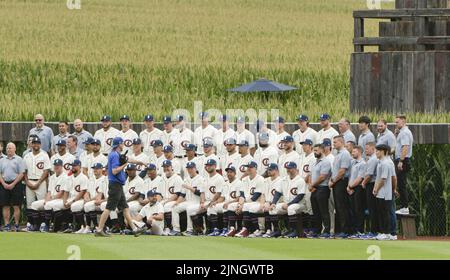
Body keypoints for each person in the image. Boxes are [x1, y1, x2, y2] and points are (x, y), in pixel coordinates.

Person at [95, 136, 144, 237]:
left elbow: (128, 159)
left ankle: (134, 229)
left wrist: (140, 162)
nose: (123, 145)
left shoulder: (116, 154)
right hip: (115, 185)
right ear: (119, 144)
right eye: (122, 143)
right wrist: (124, 165)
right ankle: (99, 229)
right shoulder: (114, 155)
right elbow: (114, 170)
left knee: (125, 208)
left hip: (118, 185)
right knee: (109, 208)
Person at [23, 136, 51, 231]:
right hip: (29, 180)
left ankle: (42, 224)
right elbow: (24, 171)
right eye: (34, 143)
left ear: (40, 144)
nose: (36, 145)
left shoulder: (44, 155)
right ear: (31, 144)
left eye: (37, 143)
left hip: (41, 181)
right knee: (29, 204)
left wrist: (38, 182)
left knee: (42, 203)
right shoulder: (27, 156)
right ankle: (31, 224)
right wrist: (27, 182)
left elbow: (46, 171)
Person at [192, 159, 224, 235]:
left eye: (210, 165)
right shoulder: (204, 178)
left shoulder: (219, 178)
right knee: (193, 211)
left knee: (210, 208)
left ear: (215, 166)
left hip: (217, 201)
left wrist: (209, 204)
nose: (208, 167)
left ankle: (213, 230)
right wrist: (202, 203)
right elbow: (202, 193)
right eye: (207, 165)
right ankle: (200, 230)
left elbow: (218, 193)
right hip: (206, 201)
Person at [328, 135, 352, 238]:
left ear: (341, 142)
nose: (333, 144)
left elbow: (342, 171)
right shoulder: (337, 154)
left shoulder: (345, 154)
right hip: (337, 183)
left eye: (335, 142)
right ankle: (340, 230)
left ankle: (346, 231)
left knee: (342, 207)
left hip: (341, 182)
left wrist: (333, 180)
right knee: (338, 207)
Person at [173, 162, 204, 236]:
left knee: (189, 208)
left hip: (197, 201)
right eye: (188, 168)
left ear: (195, 169)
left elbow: (200, 193)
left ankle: (189, 230)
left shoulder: (201, 179)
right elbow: (183, 194)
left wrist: (190, 188)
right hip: (188, 201)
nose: (190, 170)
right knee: (175, 207)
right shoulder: (186, 179)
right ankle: (176, 229)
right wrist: (177, 202)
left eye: (191, 168)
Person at [235, 161, 265, 238]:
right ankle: (246, 229)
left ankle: (254, 229)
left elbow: (256, 196)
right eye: (247, 167)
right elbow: (242, 195)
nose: (248, 169)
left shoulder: (260, 179)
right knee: (239, 206)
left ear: (255, 168)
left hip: (258, 202)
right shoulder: (244, 179)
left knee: (247, 207)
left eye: (251, 167)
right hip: (247, 202)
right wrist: (240, 204)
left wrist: (243, 204)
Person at [373, 144, 397, 241]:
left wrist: (377, 189)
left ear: (383, 151)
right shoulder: (380, 162)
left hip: (385, 193)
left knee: (385, 213)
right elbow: (378, 178)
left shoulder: (386, 163)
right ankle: (384, 232)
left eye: (378, 151)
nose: (376, 152)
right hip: (380, 193)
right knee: (381, 213)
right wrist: (375, 188)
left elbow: (383, 179)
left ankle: (387, 233)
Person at [308, 144, 332, 238]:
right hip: (315, 188)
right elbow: (310, 175)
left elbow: (323, 177)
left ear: (322, 150)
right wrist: (311, 185)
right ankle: (317, 230)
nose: (314, 152)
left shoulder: (325, 162)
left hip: (323, 188)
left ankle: (326, 231)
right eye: (314, 150)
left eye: (316, 150)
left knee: (323, 210)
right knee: (316, 211)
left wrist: (313, 185)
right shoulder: (314, 162)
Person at [0, 143, 25, 232]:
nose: (8, 150)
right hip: (4, 184)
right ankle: (7, 225)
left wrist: (13, 184)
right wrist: (3, 183)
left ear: (14, 149)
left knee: (16, 206)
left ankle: (16, 225)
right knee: (5, 206)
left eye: (10, 148)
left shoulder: (19, 159)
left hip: (16, 184)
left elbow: (22, 173)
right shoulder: (2, 160)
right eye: (7, 148)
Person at [41, 159, 69, 232]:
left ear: (62, 166)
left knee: (50, 205)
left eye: (58, 165)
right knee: (35, 204)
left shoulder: (65, 177)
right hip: (52, 198)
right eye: (55, 165)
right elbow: (49, 191)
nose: (56, 167)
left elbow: (62, 193)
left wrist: (50, 200)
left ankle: (53, 226)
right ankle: (41, 225)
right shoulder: (52, 177)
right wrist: (47, 200)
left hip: (61, 199)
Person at [63, 159, 89, 233]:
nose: (73, 167)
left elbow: (83, 191)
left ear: (79, 166)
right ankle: (68, 226)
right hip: (71, 198)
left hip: (81, 199)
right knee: (61, 205)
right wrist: (64, 201)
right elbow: (66, 191)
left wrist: (73, 201)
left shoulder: (83, 177)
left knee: (75, 206)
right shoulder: (69, 178)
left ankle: (83, 226)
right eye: (72, 166)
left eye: (75, 166)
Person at [81, 163, 108, 234]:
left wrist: (90, 200)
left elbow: (101, 194)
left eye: (97, 168)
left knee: (88, 205)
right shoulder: (91, 179)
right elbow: (87, 191)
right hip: (93, 200)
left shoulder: (104, 179)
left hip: (100, 200)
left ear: (102, 169)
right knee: (86, 205)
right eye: (94, 169)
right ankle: (88, 226)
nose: (95, 170)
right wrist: (86, 197)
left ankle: (96, 226)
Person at [394, 115, 413, 215]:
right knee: (401, 183)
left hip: (403, 160)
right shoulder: (402, 132)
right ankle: (404, 206)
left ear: (403, 121)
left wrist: (401, 161)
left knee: (402, 184)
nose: (396, 124)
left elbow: (405, 147)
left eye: (397, 122)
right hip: (402, 159)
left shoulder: (405, 133)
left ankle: (405, 207)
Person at [160, 160, 184, 235]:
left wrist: (166, 202)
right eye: (164, 167)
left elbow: (177, 194)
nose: (166, 168)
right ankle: (161, 228)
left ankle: (169, 228)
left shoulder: (177, 178)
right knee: (157, 205)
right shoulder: (162, 177)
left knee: (166, 206)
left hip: (177, 200)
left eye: (167, 167)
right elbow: (159, 193)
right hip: (165, 199)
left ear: (171, 167)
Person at [347, 146, 366, 237]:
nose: (352, 153)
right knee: (352, 210)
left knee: (359, 210)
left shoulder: (362, 163)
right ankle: (354, 230)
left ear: (359, 152)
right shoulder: (353, 163)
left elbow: (360, 178)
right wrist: (348, 187)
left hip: (358, 188)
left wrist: (351, 186)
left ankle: (360, 230)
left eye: (354, 151)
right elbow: (351, 176)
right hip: (351, 188)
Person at [262, 163, 284, 238]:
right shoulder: (266, 180)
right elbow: (263, 194)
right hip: (268, 202)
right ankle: (268, 229)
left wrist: (271, 203)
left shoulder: (281, 180)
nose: (269, 171)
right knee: (264, 206)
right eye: (268, 170)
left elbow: (282, 195)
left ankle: (276, 229)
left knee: (272, 208)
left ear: (276, 170)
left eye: (271, 170)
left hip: (278, 202)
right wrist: (263, 203)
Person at [361, 142, 378, 237]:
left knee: (373, 209)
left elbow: (369, 174)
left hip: (371, 184)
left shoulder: (373, 159)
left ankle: (374, 231)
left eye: (367, 149)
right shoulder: (371, 159)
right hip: (371, 184)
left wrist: (363, 183)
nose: (365, 150)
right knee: (372, 209)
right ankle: (373, 230)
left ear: (373, 149)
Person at [221, 166, 243, 237]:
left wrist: (228, 203)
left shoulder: (239, 182)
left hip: (237, 202)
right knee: (218, 206)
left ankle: (232, 228)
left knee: (229, 206)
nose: (229, 174)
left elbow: (239, 197)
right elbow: (223, 197)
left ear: (235, 173)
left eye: (231, 172)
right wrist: (215, 202)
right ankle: (224, 229)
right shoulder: (225, 183)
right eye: (228, 172)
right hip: (228, 202)